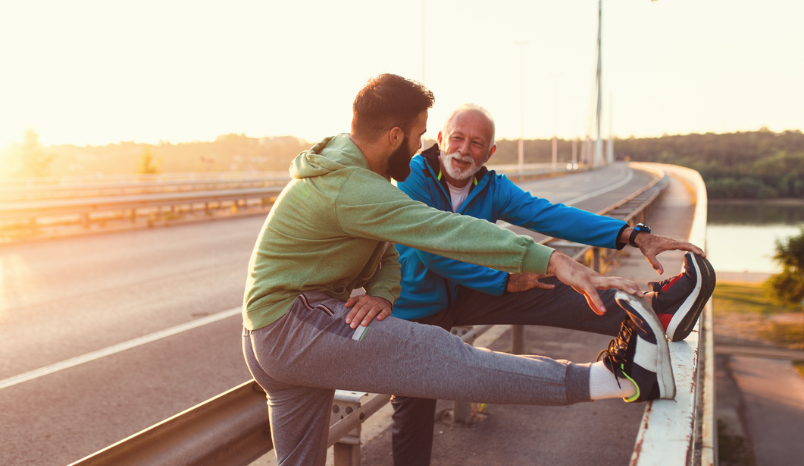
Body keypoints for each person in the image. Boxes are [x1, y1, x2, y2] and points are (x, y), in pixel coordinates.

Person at [242, 74, 687, 466]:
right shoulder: (358, 186)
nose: (427, 147)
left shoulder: (362, 176)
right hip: (294, 324)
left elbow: (388, 252)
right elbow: (442, 232)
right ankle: (613, 378)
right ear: (396, 135)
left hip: (280, 332)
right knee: (443, 357)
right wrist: (550, 259)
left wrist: (380, 293)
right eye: (423, 135)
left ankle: (649, 313)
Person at [389, 103, 716, 466]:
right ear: (440, 139)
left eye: (477, 143)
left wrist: (633, 235)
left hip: (468, 291)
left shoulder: (491, 187)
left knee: (546, 283)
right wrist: (503, 279)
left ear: (491, 152)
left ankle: (659, 310)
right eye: (458, 138)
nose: (464, 150)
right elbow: (434, 251)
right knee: (413, 407)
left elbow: (550, 215)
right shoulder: (413, 177)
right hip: (417, 307)